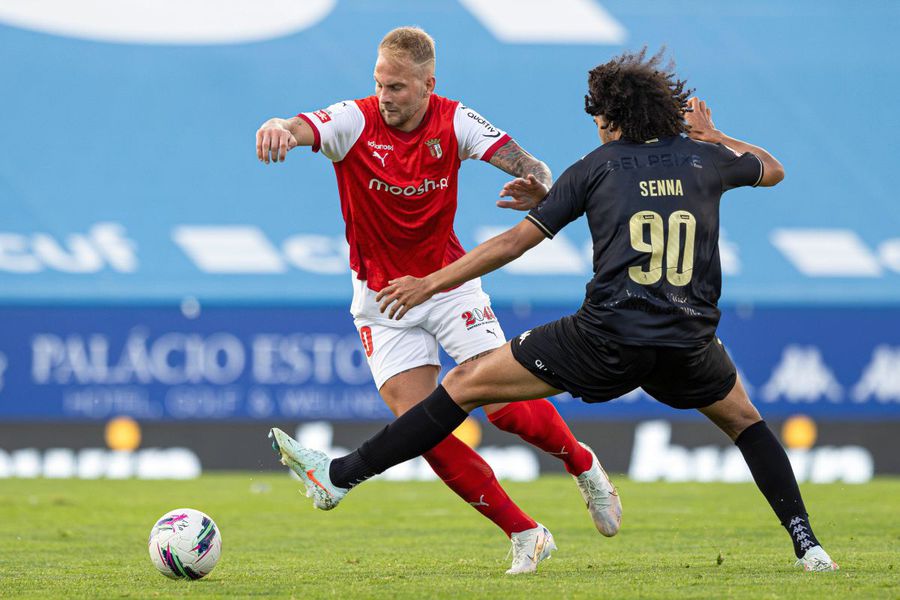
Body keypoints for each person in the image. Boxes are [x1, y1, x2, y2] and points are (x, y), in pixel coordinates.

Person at [269, 48, 840, 573]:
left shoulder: (597, 166)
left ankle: (342, 475)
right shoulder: (706, 159)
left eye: (597, 117)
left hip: (604, 340)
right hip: (688, 343)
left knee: (466, 384)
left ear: (612, 119)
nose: (594, 126)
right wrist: (716, 133)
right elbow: (772, 168)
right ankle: (808, 545)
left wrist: (431, 283)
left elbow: (513, 242)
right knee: (748, 423)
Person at [256, 26, 621, 575]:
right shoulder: (355, 121)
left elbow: (529, 163)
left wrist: (538, 185)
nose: (385, 97)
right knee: (420, 428)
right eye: (380, 84)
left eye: (398, 88)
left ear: (429, 84)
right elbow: (303, 125)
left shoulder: (455, 121)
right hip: (381, 300)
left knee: (502, 409)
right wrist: (277, 126)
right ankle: (525, 533)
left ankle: (582, 463)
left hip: (449, 285)